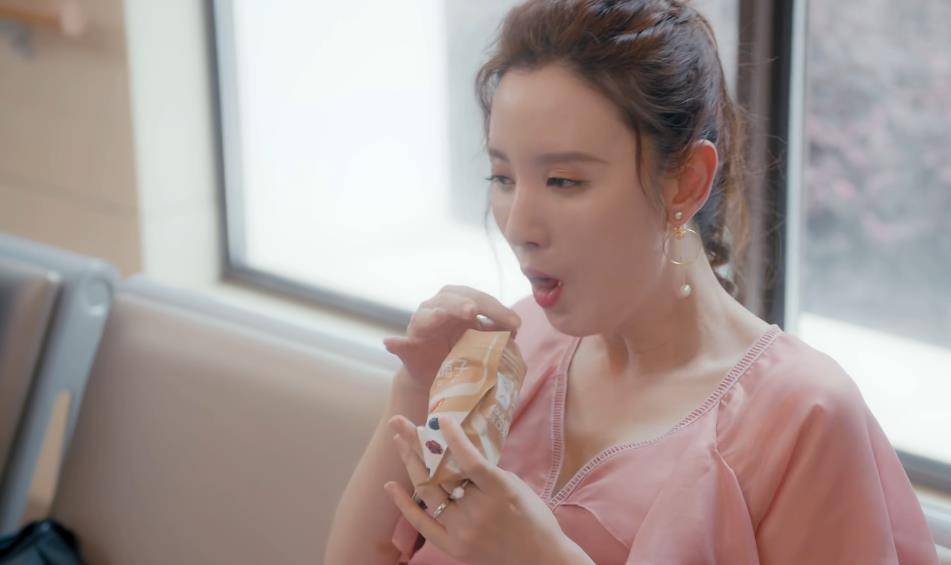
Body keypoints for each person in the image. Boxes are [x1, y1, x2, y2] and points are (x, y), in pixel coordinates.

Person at [323, 0, 940, 563]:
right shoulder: (516, 350)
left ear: (686, 182)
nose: (520, 226)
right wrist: (416, 387)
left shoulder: (802, 416)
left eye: (564, 181)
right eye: (503, 178)